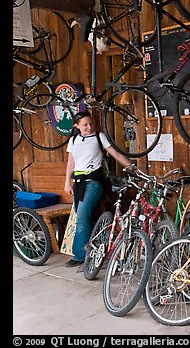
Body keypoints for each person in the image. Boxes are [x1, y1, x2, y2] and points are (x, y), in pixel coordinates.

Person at [63, 110, 133, 268]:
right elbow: (71, 163)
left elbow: (115, 154)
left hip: (94, 182)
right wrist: (67, 182)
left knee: (81, 216)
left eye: (90, 123)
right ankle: (96, 249)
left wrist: (131, 167)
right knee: (87, 217)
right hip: (78, 183)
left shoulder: (99, 137)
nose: (89, 127)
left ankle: (79, 255)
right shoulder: (73, 140)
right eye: (85, 125)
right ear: (77, 126)